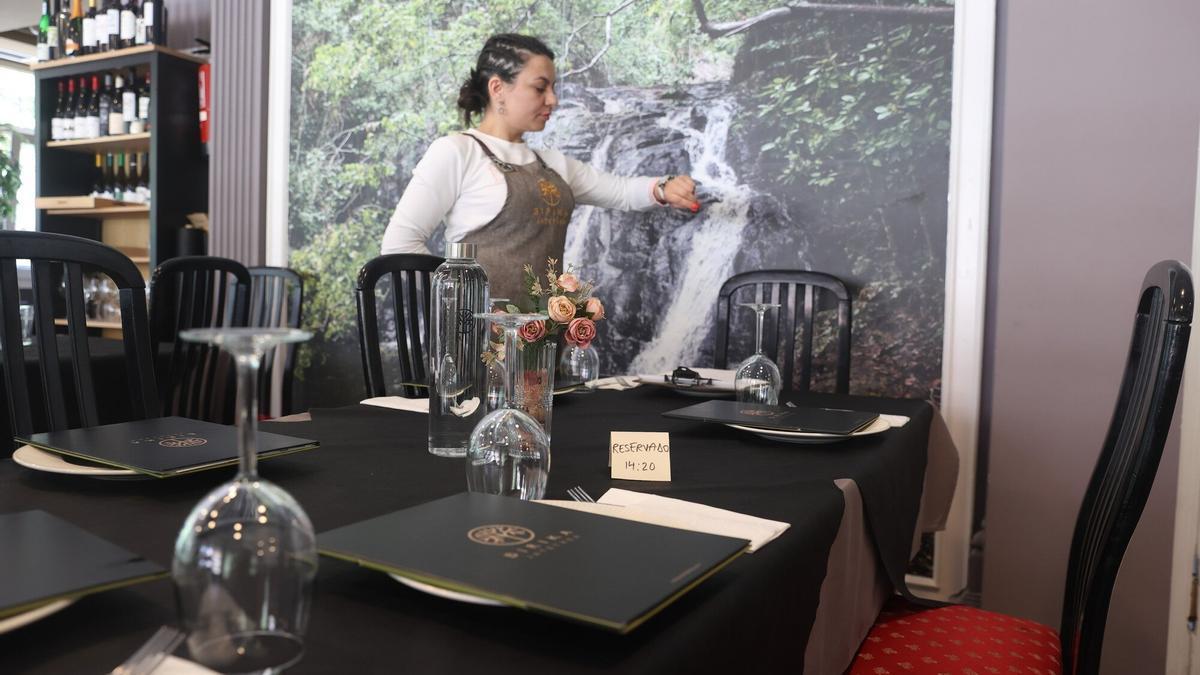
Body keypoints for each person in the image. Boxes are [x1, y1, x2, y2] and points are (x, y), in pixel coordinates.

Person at [381, 33, 700, 300]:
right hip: (473, 351)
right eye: (540, 87)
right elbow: (400, 243)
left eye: (553, 88)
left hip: (544, 346)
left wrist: (663, 187)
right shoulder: (456, 151)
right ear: (497, 89)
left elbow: (621, 191)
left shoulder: (553, 164)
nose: (553, 100)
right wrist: (456, 302)